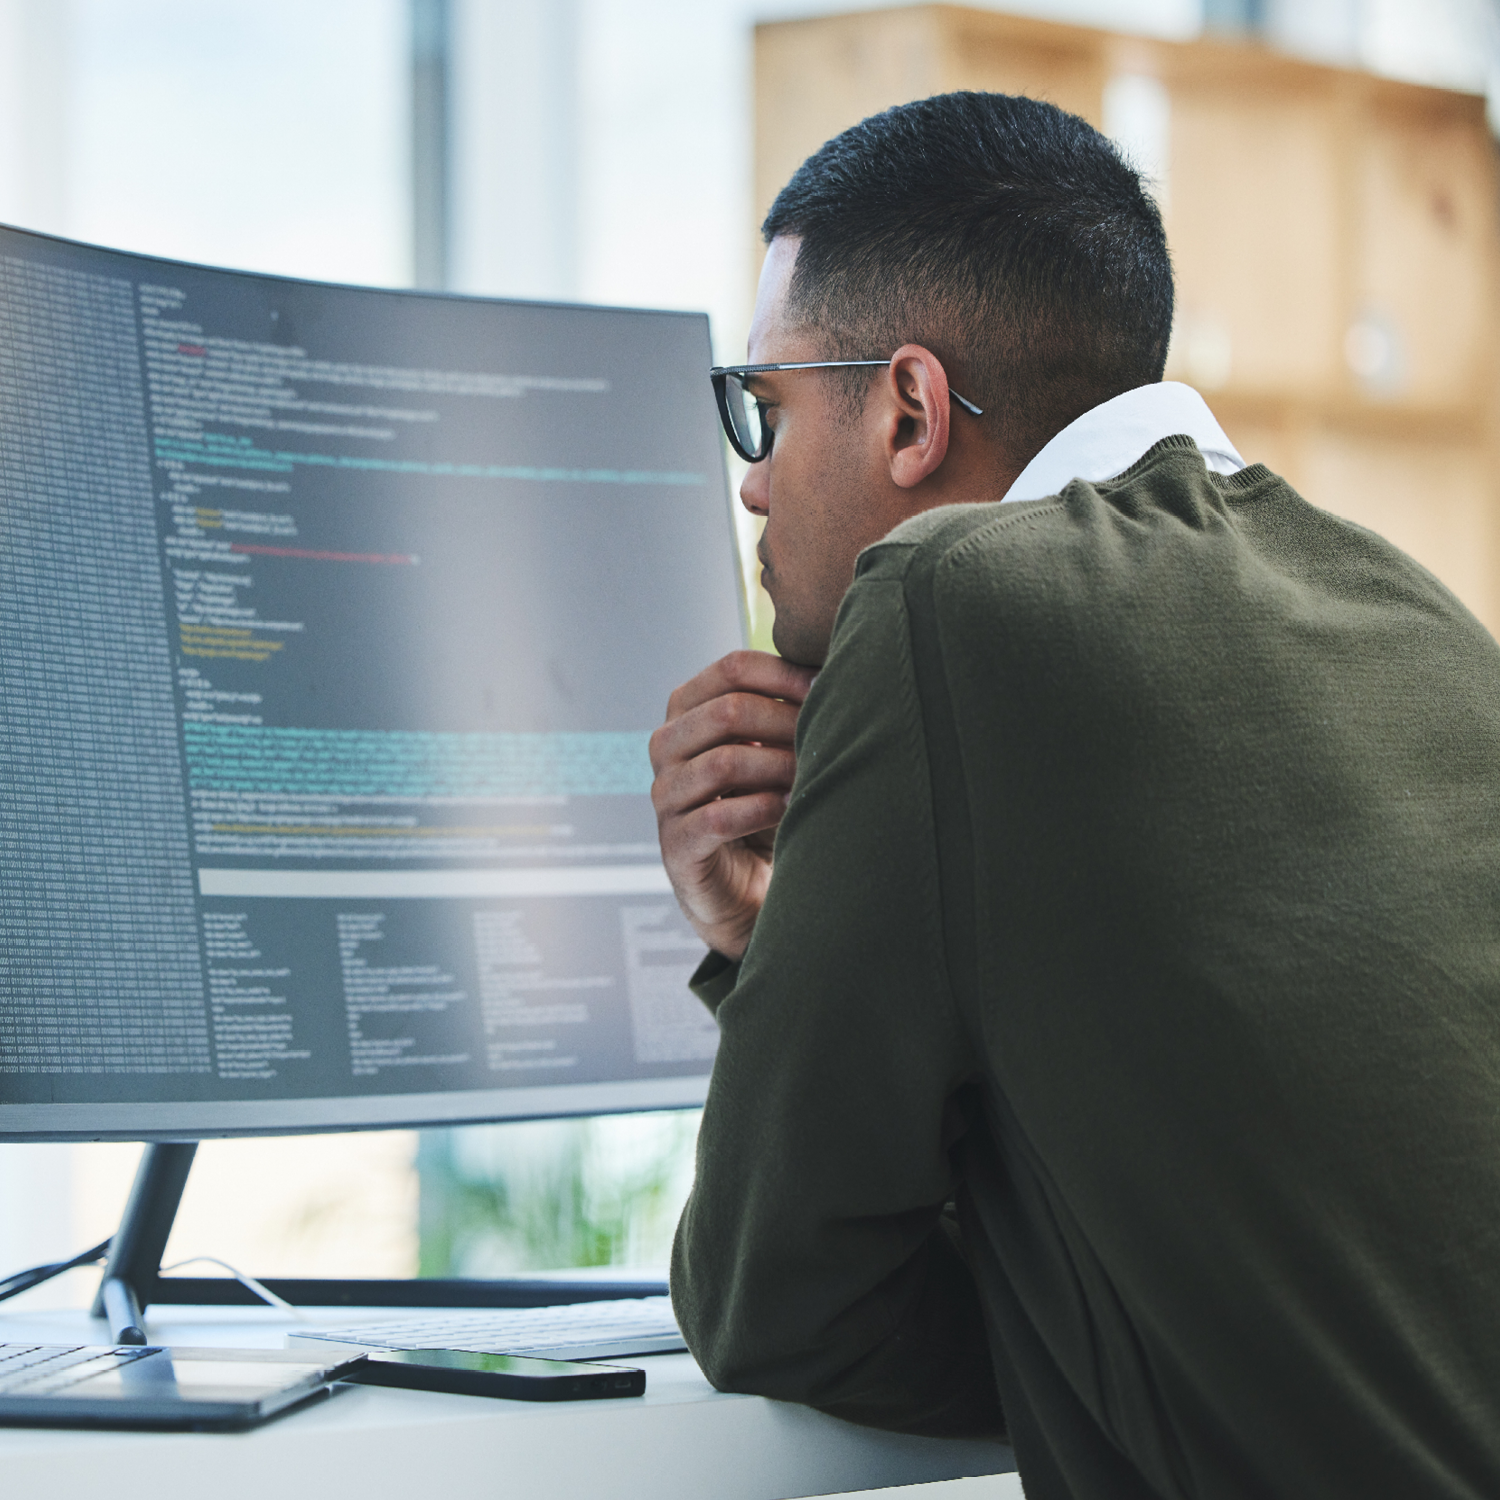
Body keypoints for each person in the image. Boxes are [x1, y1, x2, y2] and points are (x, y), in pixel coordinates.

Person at [649, 91, 1500, 1499]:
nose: (752, 489)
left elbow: (768, 1302)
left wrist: (756, 960)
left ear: (911, 411)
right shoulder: (1415, 609)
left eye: (767, 407)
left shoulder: (942, 598)